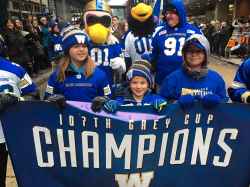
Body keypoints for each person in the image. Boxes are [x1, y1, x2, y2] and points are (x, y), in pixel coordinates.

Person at [0, 47, 38, 187]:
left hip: (17, 132)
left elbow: (34, 94)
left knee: (30, 177)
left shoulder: (15, 69)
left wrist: (16, 100)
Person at [44, 26, 112, 102]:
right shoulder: (57, 75)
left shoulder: (99, 74)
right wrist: (51, 100)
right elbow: (46, 101)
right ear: (67, 50)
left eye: (84, 46)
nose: (81, 49)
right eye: (76, 47)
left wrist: (105, 101)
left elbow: (109, 98)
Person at [160, 34, 228, 108]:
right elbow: (162, 104)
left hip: (208, 119)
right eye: (190, 51)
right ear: (184, 54)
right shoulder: (172, 79)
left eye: (198, 51)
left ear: (206, 54)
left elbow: (225, 105)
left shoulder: (216, 79)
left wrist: (219, 102)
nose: (194, 54)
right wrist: (176, 103)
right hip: (179, 119)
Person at [150, 0, 202, 88]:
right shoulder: (159, 31)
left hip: (187, 82)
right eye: (167, 13)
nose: (168, 16)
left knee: (185, 101)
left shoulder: (194, 32)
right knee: (162, 102)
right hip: (163, 81)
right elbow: (154, 54)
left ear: (180, 13)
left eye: (172, 13)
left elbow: (203, 55)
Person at [91, 60, 167, 113]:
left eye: (142, 83)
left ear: (149, 84)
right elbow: (116, 103)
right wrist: (112, 104)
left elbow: (165, 105)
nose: (138, 86)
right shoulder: (122, 100)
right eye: (134, 82)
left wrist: (162, 103)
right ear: (129, 84)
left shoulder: (154, 99)